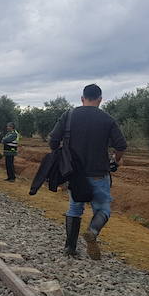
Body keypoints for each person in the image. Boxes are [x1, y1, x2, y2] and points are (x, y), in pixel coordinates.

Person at [48, 84, 126, 260]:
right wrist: (116, 159)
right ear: (100, 100)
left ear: (82, 99)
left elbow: (53, 140)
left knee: (75, 208)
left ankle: (70, 248)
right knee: (103, 208)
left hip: (75, 175)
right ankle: (92, 231)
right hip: (99, 173)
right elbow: (120, 145)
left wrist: (60, 155)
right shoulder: (108, 119)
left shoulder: (68, 116)